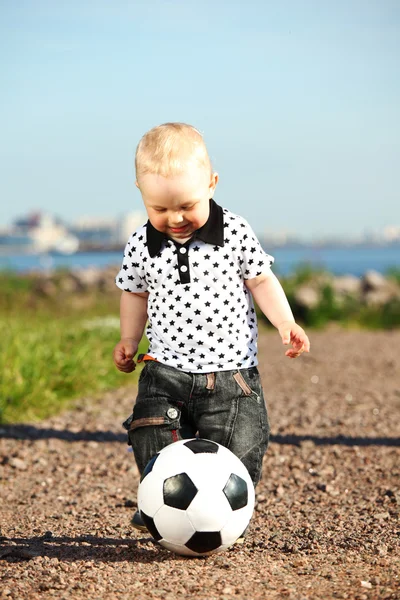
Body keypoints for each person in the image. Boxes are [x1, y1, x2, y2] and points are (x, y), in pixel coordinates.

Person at [113, 122, 310, 532]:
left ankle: (224, 514)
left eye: (186, 205)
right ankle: (159, 498)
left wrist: (285, 321)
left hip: (230, 373)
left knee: (243, 446)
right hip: (165, 369)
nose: (176, 218)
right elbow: (134, 294)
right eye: (160, 209)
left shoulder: (234, 232)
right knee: (152, 434)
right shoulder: (140, 243)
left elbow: (260, 279)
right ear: (141, 194)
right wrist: (129, 338)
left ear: (212, 184)